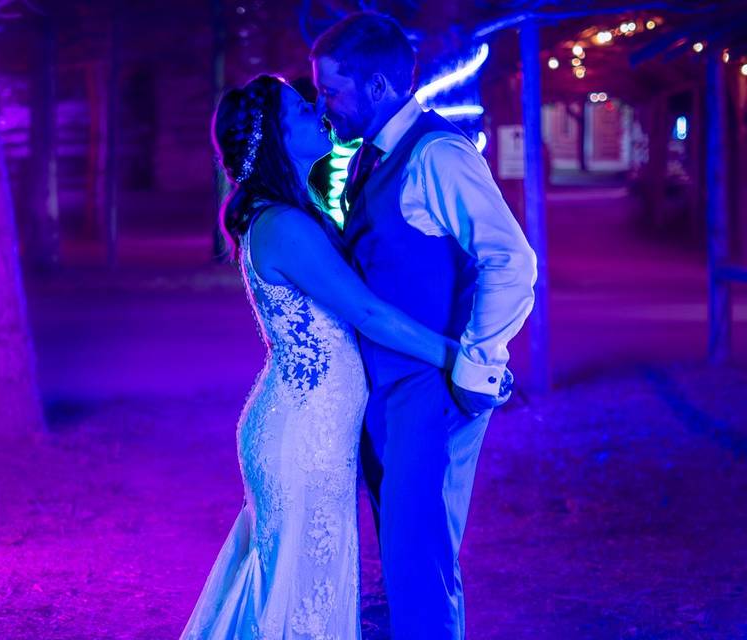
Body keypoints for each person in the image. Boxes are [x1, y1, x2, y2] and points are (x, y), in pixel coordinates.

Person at [180, 74, 509, 639]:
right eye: (302, 109)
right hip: (301, 434)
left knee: (309, 584)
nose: (319, 110)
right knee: (298, 590)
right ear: (277, 138)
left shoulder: (296, 213)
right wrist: (462, 356)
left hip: (319, 431)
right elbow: (368, 314)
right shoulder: (282, 225)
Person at [311, 12, 537, 639]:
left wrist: (476, 360)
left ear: (379, 87)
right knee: (404, 559)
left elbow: (511, 260)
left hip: (428, 391)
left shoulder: (436, 155)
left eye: (332, 89)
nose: (324, 103)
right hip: (390, 393)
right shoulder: (371, 157)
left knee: (421, 565)